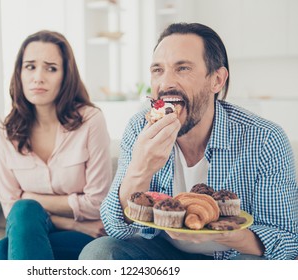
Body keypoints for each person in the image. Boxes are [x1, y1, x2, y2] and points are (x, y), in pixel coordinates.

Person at [79, 22, 298, 260]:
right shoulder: (140, 128)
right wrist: (140, 170)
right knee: (99, 253)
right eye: (157, 70)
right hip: (161, 252)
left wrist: (226, 233)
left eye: (182, 69)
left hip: (232, 255)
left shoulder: (265, 139)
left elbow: (288, 242)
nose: (166, 83)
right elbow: (115, 228)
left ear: (217, 80)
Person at [0, 30, 112, 260]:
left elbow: (97, 203)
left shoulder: (91, 121)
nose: (38, 77)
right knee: (20, 216)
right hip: (70, 227)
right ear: (19, 73)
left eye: (51, 68)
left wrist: (28, 197)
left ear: (66, 75)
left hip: (89, 236)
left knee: (2, 248)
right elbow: (10, 207)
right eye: (30, 66)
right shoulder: (7, 131)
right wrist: (72, 223)